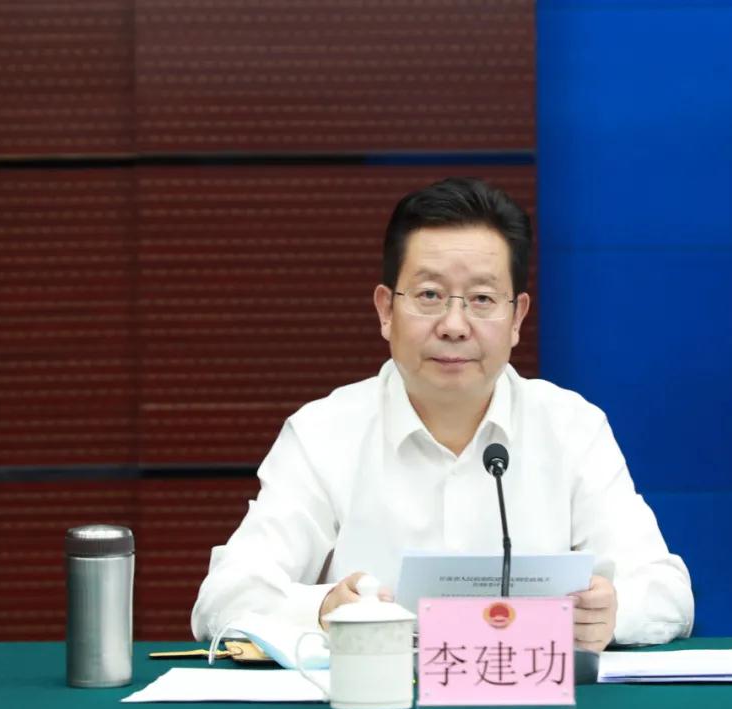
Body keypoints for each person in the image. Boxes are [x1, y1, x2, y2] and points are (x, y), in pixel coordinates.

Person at [191, 177, 694, 651]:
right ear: (386, 310)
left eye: (482, 299)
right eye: (429, 295)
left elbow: (666, 591)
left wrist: (611, 612)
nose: (454, 325)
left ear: (517, 317)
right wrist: (321, 610)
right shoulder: (323, 433)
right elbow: (225, 597)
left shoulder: (572, 428)